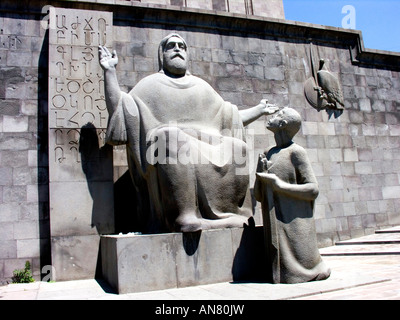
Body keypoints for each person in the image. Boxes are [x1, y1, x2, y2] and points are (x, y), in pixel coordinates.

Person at [99, 33, 279, 233]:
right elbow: (123, 112)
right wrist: (109, 73)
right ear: (162, 54)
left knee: (239, 147)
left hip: (206, 145)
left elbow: (230, 116)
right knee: (168, 137)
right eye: (171, 46)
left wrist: (259, 110)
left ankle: (237, 215)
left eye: (181, 46)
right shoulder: (149, 86)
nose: (177, 49)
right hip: (168, 152)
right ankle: (185, 216)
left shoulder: (201, 87)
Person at [254, 107, 331, 283]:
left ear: (283, 124)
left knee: (298, 268)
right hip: (275, 226)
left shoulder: (296, 152)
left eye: (279, 115)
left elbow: (313, 189)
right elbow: (259, 196)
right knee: (280, 270)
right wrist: (260, 173)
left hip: (295, 225)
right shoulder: (268, 153)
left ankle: (307, 271)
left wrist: (279, 186)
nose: (273, 115)